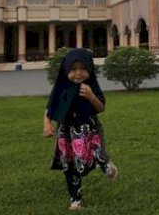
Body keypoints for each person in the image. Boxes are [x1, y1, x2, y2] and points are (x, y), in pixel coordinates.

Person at [43, 48, 118, 211]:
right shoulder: (61, 88)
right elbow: (50, 108)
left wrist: (91, 96)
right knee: (70, 166)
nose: (79, 73)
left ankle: (105, 165)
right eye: (73, 69)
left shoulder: (90, 86)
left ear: (90, 69)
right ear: (66, 70)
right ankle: (75, 200)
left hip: (89, 129)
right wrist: (47, 124)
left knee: (96, 150)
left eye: (83, 69)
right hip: (67, 134)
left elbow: (101, 107)